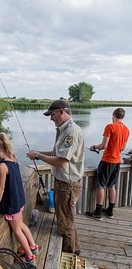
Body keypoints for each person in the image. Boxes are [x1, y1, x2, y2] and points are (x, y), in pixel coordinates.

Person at [27, 100, 84, 255]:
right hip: (63, 184)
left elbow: (63, 162)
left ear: (61, 111)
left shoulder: (71, 132)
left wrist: (38, 156)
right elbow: (56, 154)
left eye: (52, 114)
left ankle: (69, 254)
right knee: (66, 220)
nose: (51, 118)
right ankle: (76, 249)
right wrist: (39, 153)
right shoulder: (63, 130)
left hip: (68, 186)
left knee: (65, 224)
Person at [0, 132, 38, 265]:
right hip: (19, 201)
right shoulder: (13, 159)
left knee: (17, 230)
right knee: (21, 225)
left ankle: (30, 256)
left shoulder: (2, 166)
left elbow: (1, 189)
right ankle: (33, 246)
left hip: (12, 205)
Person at [85, 107, 130, 220]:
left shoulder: (110, 126)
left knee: (100, 186)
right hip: (117, 162)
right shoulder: (126, 129)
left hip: (107, 161)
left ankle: (98, 212)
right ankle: (110, 211)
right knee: (112, 185)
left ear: (114, 115)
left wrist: (94, 147)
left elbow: (104, 145)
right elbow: (123, 147)